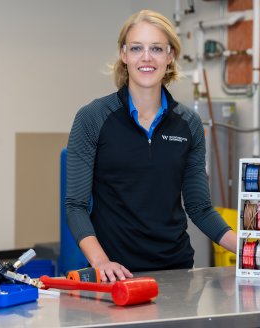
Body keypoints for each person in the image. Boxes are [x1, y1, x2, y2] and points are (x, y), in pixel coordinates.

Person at [66, 9, 237, 282]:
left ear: (170, 56)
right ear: (124, 55)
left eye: (156, 48)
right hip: (115, 273)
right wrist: (101, 262)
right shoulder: (93, 117)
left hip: (177, 271)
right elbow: (75, 205)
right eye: (136, 48)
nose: (146, 57)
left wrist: (251, 251)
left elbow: (200, 207)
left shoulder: (188, 123)